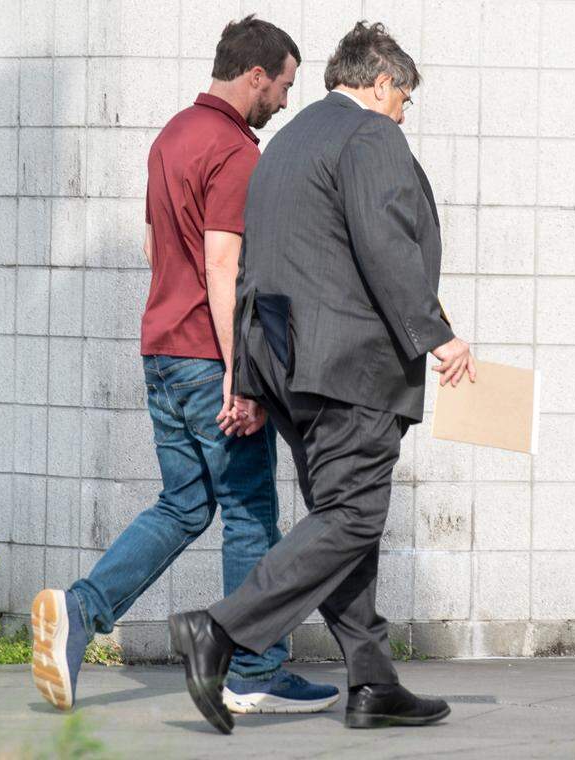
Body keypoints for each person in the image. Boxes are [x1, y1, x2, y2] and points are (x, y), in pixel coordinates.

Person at [167, 21, 476, 734]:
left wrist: (248, 377)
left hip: (290, 369)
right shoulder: (370, 136)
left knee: (343, 521)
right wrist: (437, 334)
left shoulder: (286, 141)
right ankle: (219, 629)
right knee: (353, 516)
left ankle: (371, 683)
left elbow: (259, 267)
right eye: (404, 97)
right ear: (379, 84)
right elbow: (386, 245)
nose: (405, 111)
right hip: (350, 370)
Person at [29, 15, 338, 716]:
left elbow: (153, 247)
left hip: (162, 351)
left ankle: (80, 611)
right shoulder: (235, 153)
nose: (285, 101)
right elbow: (222, 261)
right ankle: (256, 668)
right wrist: (241, 375)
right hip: (208, 358)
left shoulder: (170, 136)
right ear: (256, 74)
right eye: (284, 85)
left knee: (184, 503)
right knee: (251, 511)